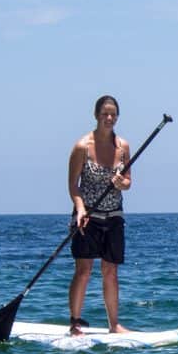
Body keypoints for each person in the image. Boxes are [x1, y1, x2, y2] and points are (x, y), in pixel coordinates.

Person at [67, 95, 133, 335]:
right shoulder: (82, 147)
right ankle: (75, 322)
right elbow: (73, 184)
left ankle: (114, 325)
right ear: (96, 115)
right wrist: (81, 208)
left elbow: (129, 182)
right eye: (105, 113)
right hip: (88, 216)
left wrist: (120, 182)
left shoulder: (123, 147)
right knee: (83, 270)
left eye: (113, 114)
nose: (109, 118)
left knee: (111, 271)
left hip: (114, 215)